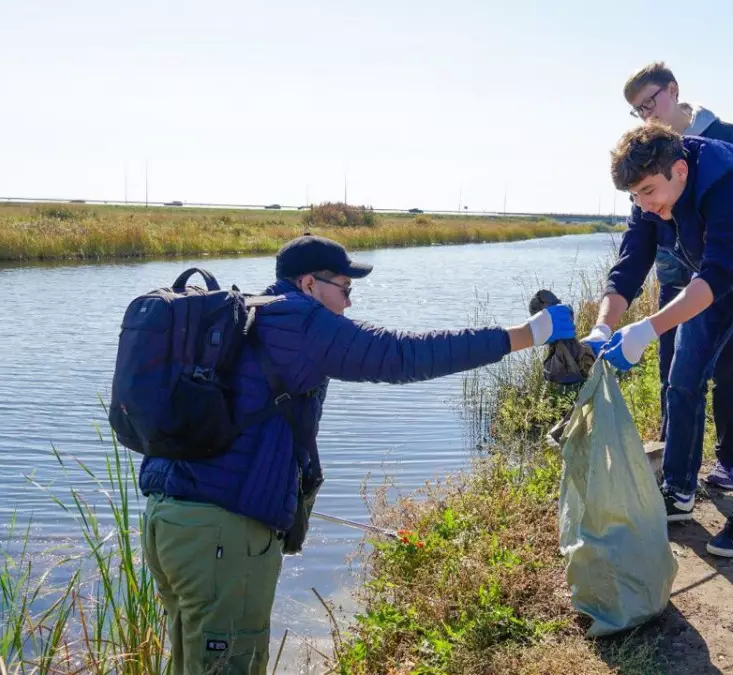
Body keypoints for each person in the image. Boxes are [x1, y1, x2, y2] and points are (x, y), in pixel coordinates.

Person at [137, 234, 575, 674]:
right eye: (344, 290)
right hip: (222, 535)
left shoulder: (251, 313)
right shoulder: (300, 322)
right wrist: (529, 334)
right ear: (309, 284)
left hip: (169, 524)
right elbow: (403, 355)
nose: (348, 304)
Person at [588, 121, 733, 558]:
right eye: (634, 197)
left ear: (681, 171)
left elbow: (718, 277)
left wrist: (650, 328)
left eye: (649, 192)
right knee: (683, 376)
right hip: (716, 268)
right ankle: (678, 490)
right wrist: (604, 325)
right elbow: (631, 263)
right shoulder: (650, 190)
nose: (643, 204)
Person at [584, 61, 733, 492]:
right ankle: (676, 473)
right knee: (673, 373)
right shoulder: (645, 154)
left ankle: (730, 458)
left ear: (673, 91)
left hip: (721, 278)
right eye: (637, 110)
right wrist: (606, 323)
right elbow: (637, 240)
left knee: (726, 369)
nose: (647, 114)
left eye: (650, 102)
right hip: (674, 274)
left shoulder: (723, 137)